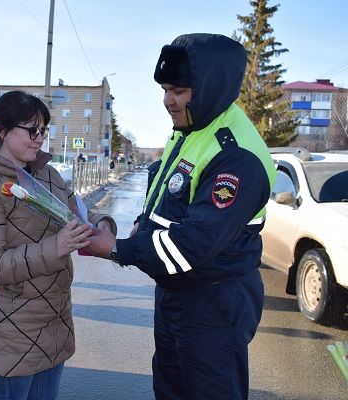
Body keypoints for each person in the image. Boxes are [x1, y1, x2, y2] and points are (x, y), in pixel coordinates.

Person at [84, 33, 276, 400]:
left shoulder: (236, 154)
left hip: (213, 303)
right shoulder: (191, 128)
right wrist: (141, 227)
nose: (168, 100)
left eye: (179, 90)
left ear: (210, 86)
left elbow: (193, 244)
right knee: (171, 389)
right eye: (165, 89)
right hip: (179, 294)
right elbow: (169, 201)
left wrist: (120, 249)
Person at [0, 90, 116, 400]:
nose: (40, 138)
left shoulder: (48, 175)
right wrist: (56, 247)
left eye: (44, 130)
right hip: (13, 329)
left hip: (55, 320)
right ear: (2, 131)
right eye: (32, 130)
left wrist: (101, 224)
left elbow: (80, 211)